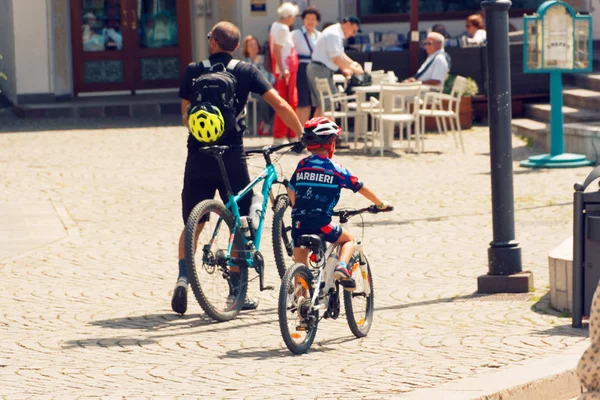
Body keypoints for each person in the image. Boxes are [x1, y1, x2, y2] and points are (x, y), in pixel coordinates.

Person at [173, 21, 303, 315]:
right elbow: (279, 104)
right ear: (234, 45)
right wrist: (300, 133)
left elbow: (184, 116)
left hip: (198, 153)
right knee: (242, 219)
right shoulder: (246, 71)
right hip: (231, 154)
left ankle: (183, 277)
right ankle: (237, 291)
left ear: (213, 42)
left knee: (196, 221)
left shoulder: (194, 70)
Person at [287, 117, 390, 291]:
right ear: (331, 144)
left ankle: (302, 309)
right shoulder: (335, 169)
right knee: (348, 239)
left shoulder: (302, 165)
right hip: (321, 224)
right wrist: (380, 203)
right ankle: (341, 267)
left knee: (301, 272)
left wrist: (298, 207)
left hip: (298, 223)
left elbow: (291, 190)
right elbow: (360, 186)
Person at [307, 16, 364, 118]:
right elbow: (337, 59)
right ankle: (329, 133)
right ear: (348, 24)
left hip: (321, 69)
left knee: (323, 106)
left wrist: (353, 64)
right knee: (329, 106)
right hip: (321, 70)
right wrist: (355, 69)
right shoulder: (334, 34)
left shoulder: (335, 32)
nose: (353, 35)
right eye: (353, 31)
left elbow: (341, 55)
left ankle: (314, 132)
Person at [269, 2, 300, 145]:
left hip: (284, 70)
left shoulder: (276, 26)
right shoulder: (283, 28)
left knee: (286, 102)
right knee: (288, 103)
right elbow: (277, 50)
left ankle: (286, 135)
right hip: (286, 71)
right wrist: (283, 69)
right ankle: (286, 136)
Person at [291, 6, 321, 125]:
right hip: (302, 68)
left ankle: (312, 129)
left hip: (316, 68)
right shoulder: (296, 34)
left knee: (318, 102)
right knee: (303, 102)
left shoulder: (320, 35)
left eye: (313, 19)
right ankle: (300, 131)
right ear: (303, 20)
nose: (310, 21)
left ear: (317, 21)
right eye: (308, 18)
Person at [242, 35, 275, 135]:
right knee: (264, 98)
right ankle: (265, 123)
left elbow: (271, 75)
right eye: (250, 45)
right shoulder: (245, 63)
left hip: (268, 86)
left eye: (255, 44)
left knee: (277, 98)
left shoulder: (265, 59)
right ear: (246, 48)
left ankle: (269, 124)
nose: (253, 47)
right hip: (253, 91)